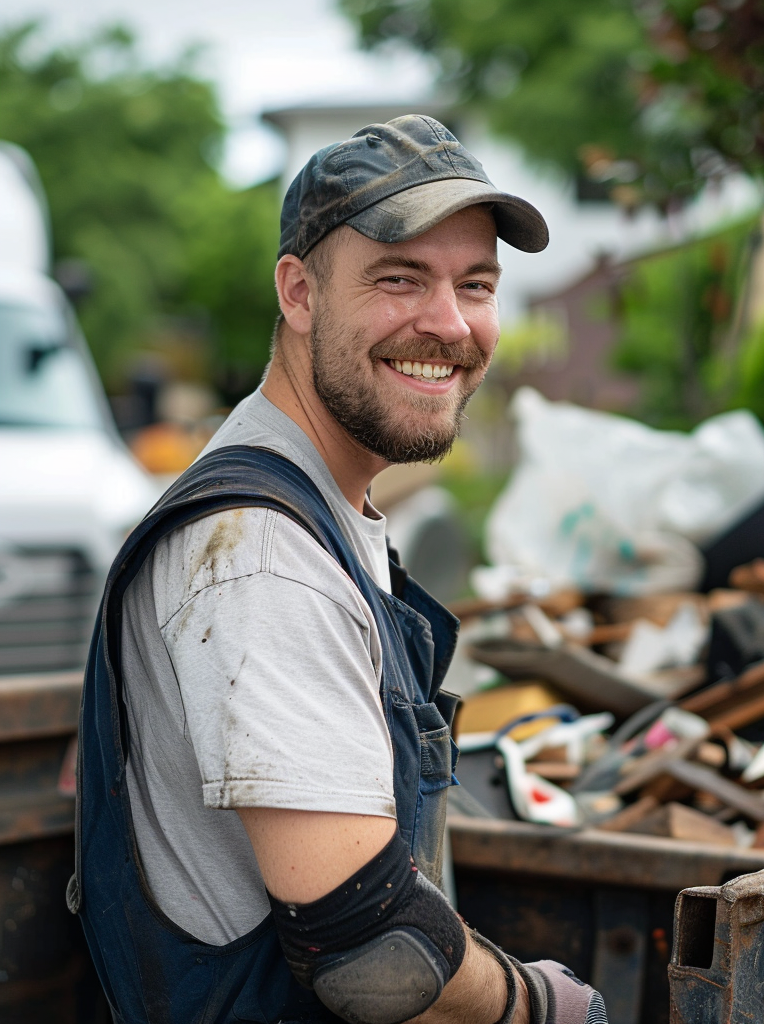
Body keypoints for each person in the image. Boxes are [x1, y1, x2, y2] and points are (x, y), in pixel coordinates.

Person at [72, 115, 608, 1024]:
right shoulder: (260, 557)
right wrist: (535, 1004)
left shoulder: (325, 510)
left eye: (475, 285)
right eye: (398, 279)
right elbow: (372, 954)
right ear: (299, 292)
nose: (447, 324)